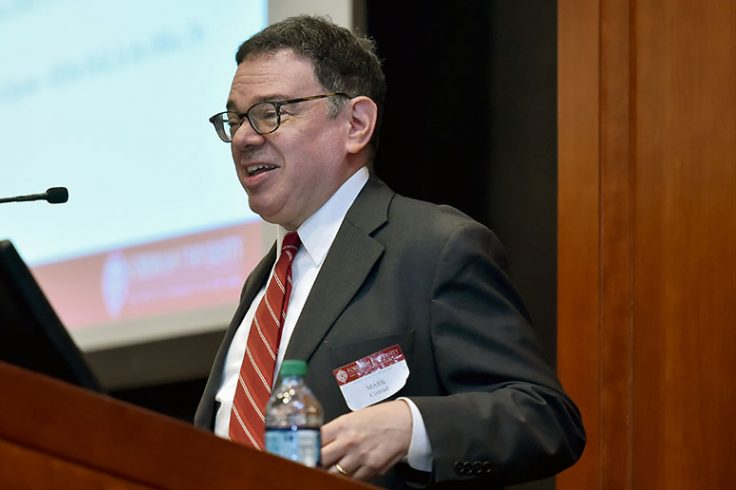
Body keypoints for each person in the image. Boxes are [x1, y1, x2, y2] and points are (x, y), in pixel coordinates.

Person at [193, 15, 585, 488]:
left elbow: (544, 418)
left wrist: (410, 425)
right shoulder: (263, 285)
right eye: (235, 118)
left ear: (356, 124)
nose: (244, 137)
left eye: (272, 112)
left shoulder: (434, 248)